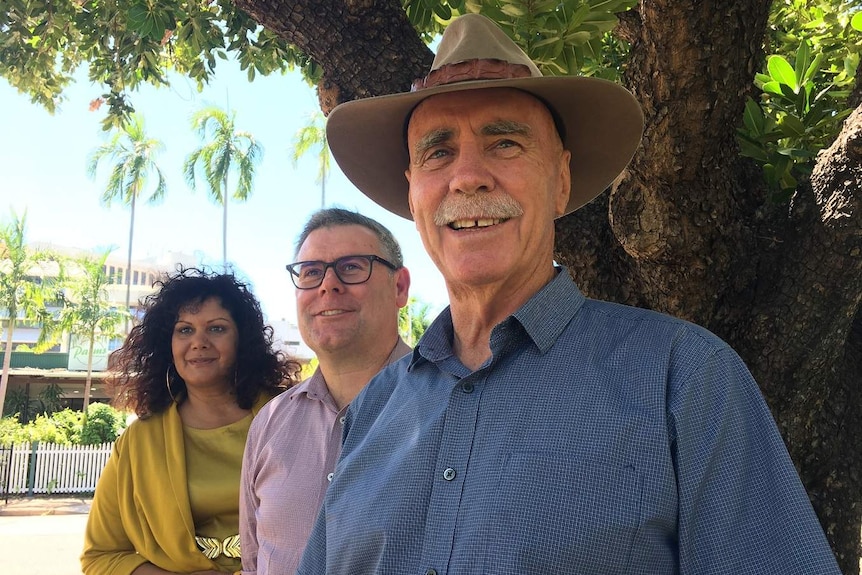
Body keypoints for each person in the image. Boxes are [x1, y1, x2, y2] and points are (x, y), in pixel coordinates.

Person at [297, 13, 841, 574]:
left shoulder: (684, 377)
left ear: (561, 180)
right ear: (412, 195)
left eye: (504, 142)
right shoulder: (374, 412)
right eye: (437, 153)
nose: (467, 177)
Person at [82, 267, 300, 575]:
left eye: (216, 328)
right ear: (167, 345)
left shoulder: (292, 418)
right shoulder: (138, 443)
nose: (198, 342)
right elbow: (101, 556)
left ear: (243, 340)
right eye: (185, 330)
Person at [238, 208, 412, 575]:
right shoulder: (269, 424)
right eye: (312, 271)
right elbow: (254, 561)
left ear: (400, 288)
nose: (327, 285)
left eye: (351, 267)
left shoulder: (454, 407)